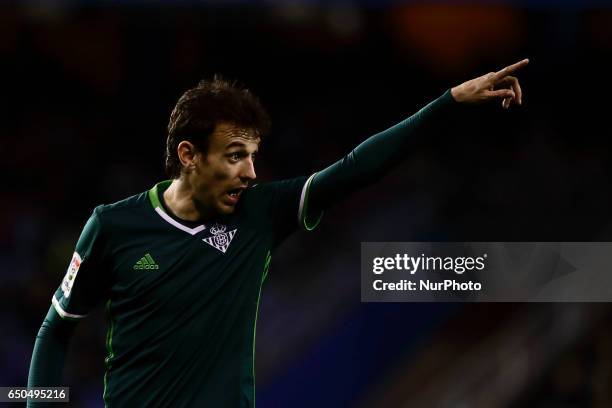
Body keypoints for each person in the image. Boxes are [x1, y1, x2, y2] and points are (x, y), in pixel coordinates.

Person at [27, 59, 529, 407]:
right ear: (188, 155)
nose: (250, 172)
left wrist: (448, 103)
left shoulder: (262, 212)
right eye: (234, 155)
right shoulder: (113, 227)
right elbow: (55, 332)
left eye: (253, 154)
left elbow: (355, 168)